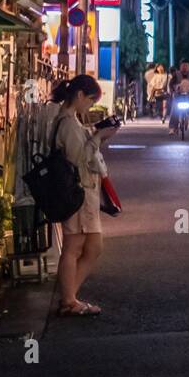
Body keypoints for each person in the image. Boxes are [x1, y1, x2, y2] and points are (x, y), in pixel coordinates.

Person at [52, 74, 117, 316]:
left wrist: (95, 134)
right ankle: (69, 300)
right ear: (79, 95)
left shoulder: (71, 120)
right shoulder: (68, 122)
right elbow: (78, 159)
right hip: (77, 191)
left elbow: (78, 151)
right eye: (90, 101)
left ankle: (69, 298)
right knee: (74, 246)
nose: (89, 106)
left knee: (93, 246)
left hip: (85, 192)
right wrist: (99, 138)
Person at [168, 67, 189, 135]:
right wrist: (172, 91)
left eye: (186, 65)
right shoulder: (176, 75)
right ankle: (172, 128)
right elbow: (171, 84)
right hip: (178, 96)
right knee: (174, 109)